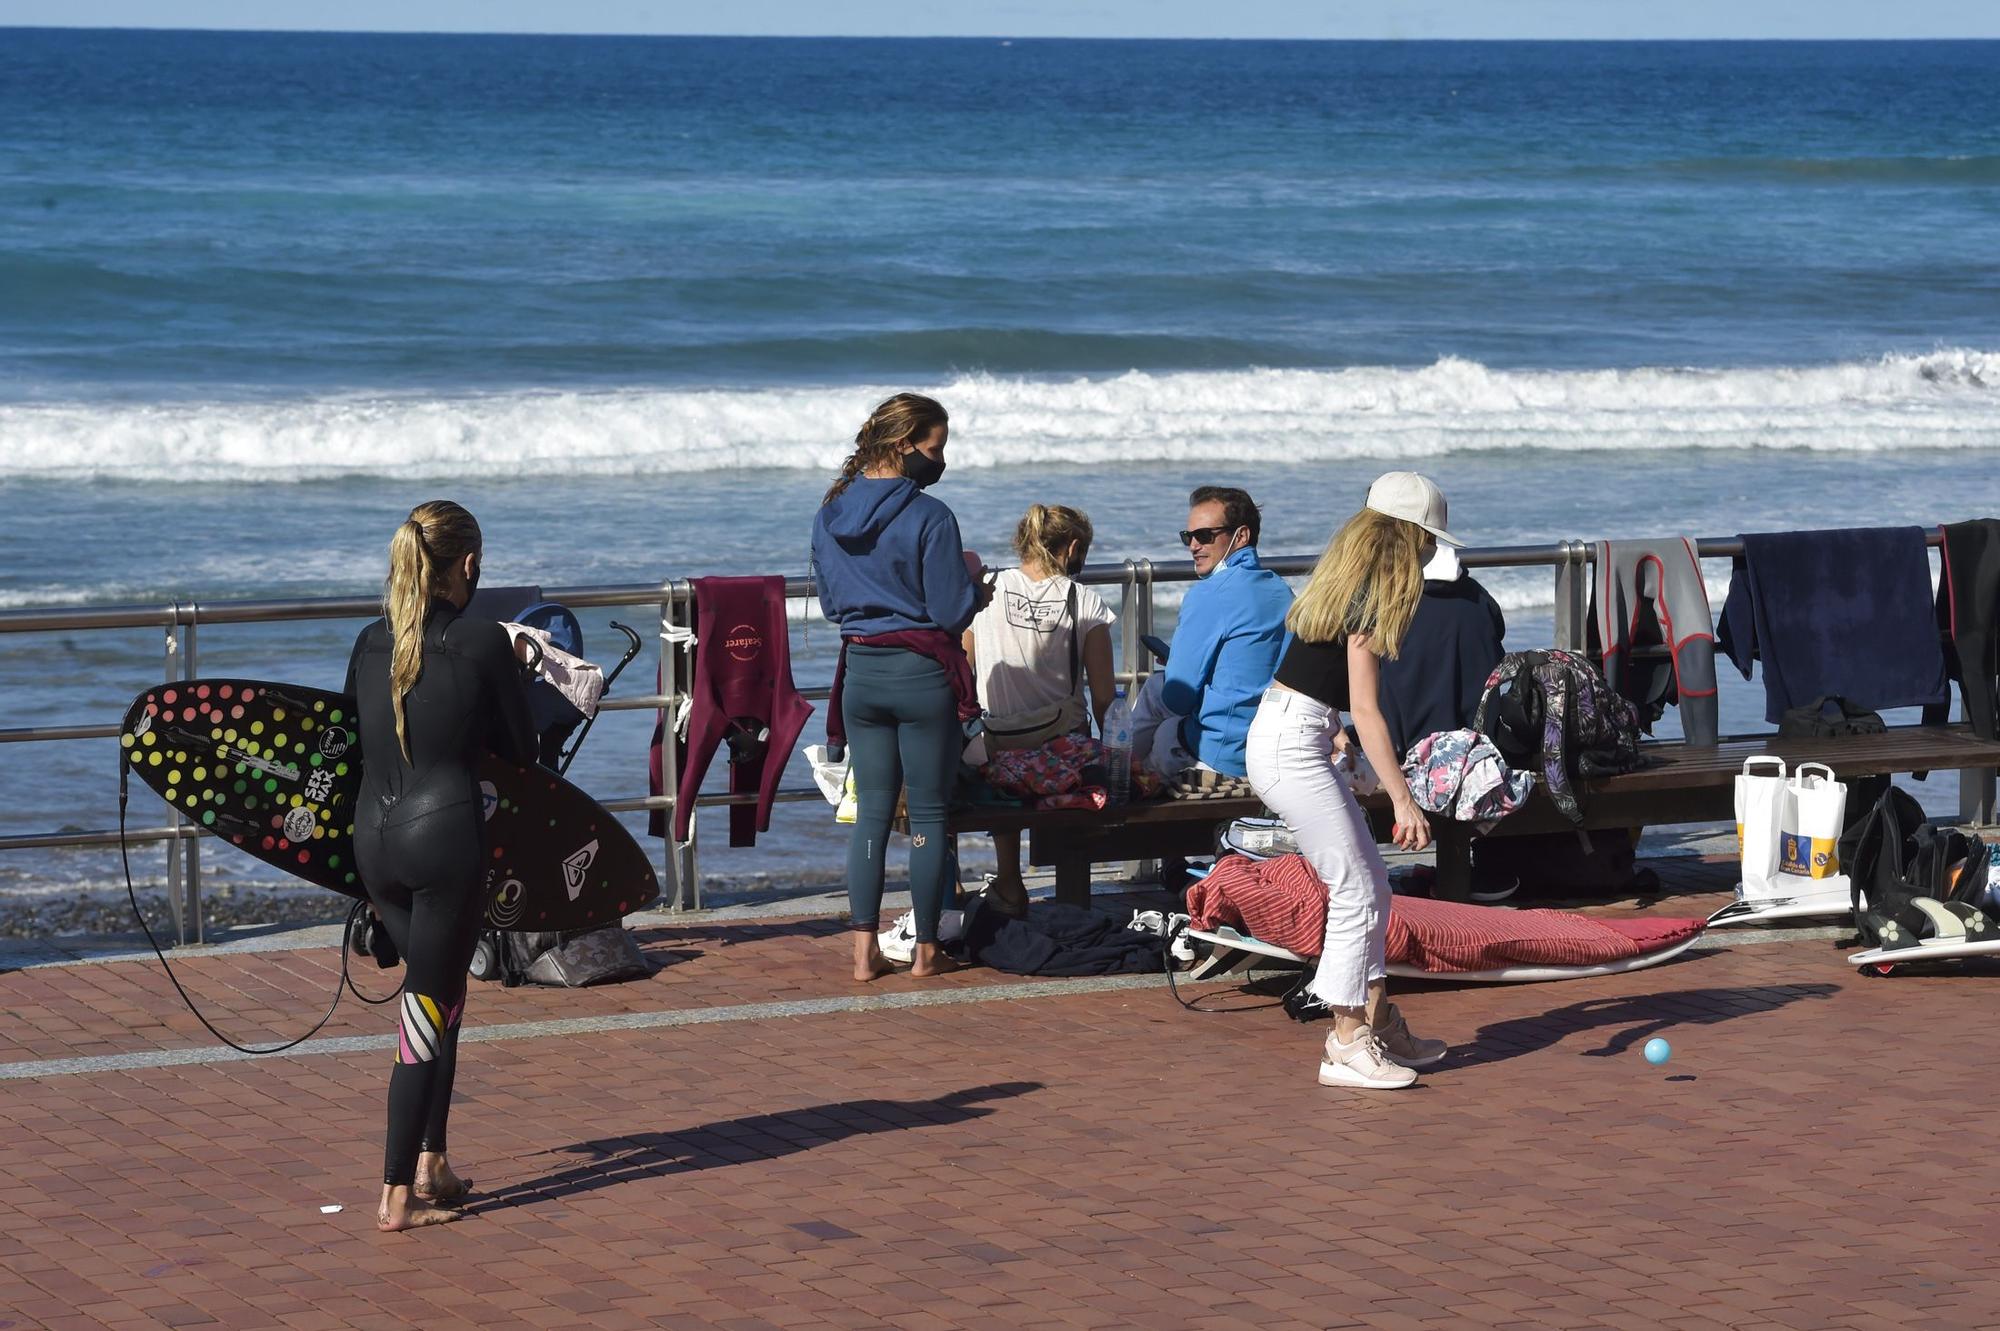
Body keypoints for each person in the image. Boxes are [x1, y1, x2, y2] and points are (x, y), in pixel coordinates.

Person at [344, 500, 537, 1230]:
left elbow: (352, 738)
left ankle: (434, 1160)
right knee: (425, 1010)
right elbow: (524, 754)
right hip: (443, 841)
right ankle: (396, 1193)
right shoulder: (483, 640)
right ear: (468, 565)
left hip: (374, 843)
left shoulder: (369, 640)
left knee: (443, 990)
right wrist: (517, 676)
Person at [1244, 472, 1458, 1091]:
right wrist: (1402, 798)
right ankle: (1345, 1041)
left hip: (1294, 735)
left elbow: (1316, 683)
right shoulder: (1368, 598)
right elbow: (1368, 709)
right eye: (1428, 542)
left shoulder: (1342, 584)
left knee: (1372, 888)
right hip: (1292, 746)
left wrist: (1333, 731)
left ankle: (1378, 1020)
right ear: (1407, 539)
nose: (1429, 554)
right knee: (1358, 892)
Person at [813, 393, 986, 982]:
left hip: (859, 673)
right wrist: (974, 589)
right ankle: (926, 951)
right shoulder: (930, 515)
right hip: (921, 676)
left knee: (870, 818)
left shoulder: (830, 510)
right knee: (930, 817)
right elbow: (948, 612)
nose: (940, 460)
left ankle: (862, 956)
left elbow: (834, 603)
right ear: (904, 443)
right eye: (935, 448)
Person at [963, 504, 1118, 915]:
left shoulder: (985, 588)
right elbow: (1104, 697)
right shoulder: (1084, 601)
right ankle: (1071, 884)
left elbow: (964, 669)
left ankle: (1010, 880)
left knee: (999, 752)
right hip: (1060, 754)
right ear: (1071, 548)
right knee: (1079, 753)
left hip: (997, 749)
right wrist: (1121, 758)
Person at [1129, 486, 1291, 783]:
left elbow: (1178, 697)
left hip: (1224, 752)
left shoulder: (1209, 594)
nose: (1193, 545)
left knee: (1157, 694)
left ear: (1241, 536)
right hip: (1274, 745)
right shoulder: (1281, 591)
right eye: (1187, 536)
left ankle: (1114, 780)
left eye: (1204, 536)